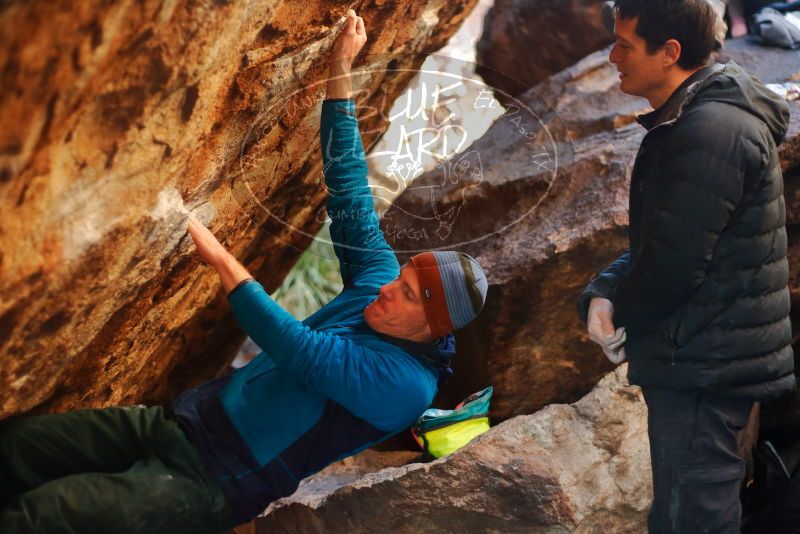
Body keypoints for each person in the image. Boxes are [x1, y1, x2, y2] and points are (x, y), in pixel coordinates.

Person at [0, 10, 488, 533]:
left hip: (210, 482)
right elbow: (349, 189)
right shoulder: (378, 281)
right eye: (402, 279)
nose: (390, 289)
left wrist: (220, 258)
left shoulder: (405, 387)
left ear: (432, 326)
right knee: (15, 450)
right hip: (176, 423)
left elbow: (301, 351)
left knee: (40, 518)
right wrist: (340, 68)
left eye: (409, 295)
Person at [577, 1, 794, 532]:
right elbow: (672, 238)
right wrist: (603, 289)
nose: (612, 55)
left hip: (705, 362)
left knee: (690, 518)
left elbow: (672, 267)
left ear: (670, 51)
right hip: (706, 354)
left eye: (625, 44)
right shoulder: (701, 117)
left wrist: (615, 303)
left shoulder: (710, 130)